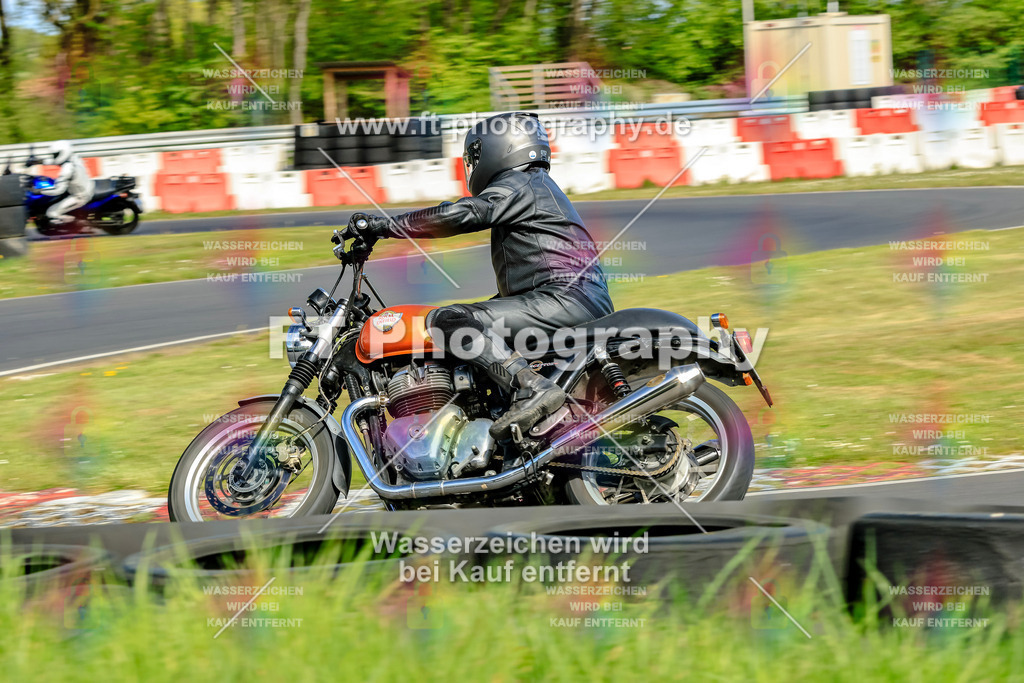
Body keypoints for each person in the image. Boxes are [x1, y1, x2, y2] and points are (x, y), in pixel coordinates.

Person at [343, 111, 613, 441]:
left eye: (475, 155)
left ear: (501, 146)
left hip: (564, 298)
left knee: (449, 318)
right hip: (564, 297)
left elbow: (462, 214)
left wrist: (385, 226)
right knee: (471, 332)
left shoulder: (520, 184)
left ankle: (533, 388)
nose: (472, 165)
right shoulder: (534, 185)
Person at [38, 140, 95, 225]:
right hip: (87, 188)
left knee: (51, 213)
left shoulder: (67, 169)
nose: (54, 157)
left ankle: (79, 225)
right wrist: (39, 162)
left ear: (63, 152)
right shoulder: (74, 158)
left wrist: (39, 191)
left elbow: (58, 190)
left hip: (79, 197)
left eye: (56, 154)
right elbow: (56, 161)